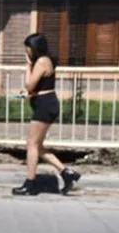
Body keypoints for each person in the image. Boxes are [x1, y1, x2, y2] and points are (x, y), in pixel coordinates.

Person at [12, 33, 80, 196]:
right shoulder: (45, 60)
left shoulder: (41, 62)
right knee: (38, 146)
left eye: (28, 48)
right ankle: (67, 173)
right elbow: (36, 88)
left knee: (31, 144)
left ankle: (30, 184)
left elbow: (29, 85)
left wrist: (28, 66)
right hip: (45, 103)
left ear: (34, 48)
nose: (27, 51)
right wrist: (27, 94)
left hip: (45, 106)